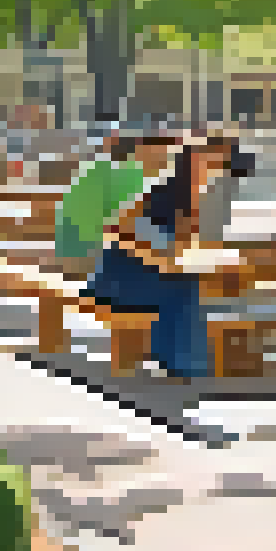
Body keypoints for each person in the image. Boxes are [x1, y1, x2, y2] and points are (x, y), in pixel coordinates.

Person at [86, 142, 232, 380]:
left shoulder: (192, 199)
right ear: (190, 162)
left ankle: (179, 362)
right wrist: (163, 259)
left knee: (188, 288)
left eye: (219, 165)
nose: (215, 170)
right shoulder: (163, 193)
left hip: (144, 274)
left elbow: (182, 246)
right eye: (210, 162)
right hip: (118, 280)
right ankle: (183, 366)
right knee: (184, 290)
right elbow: (121, 232)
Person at [55, 135, 165, 279]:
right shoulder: (132, 178)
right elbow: (126, 226)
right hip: (89, 259)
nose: (163, 166)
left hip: (69, 252)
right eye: (162, 160)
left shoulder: (103, 168)